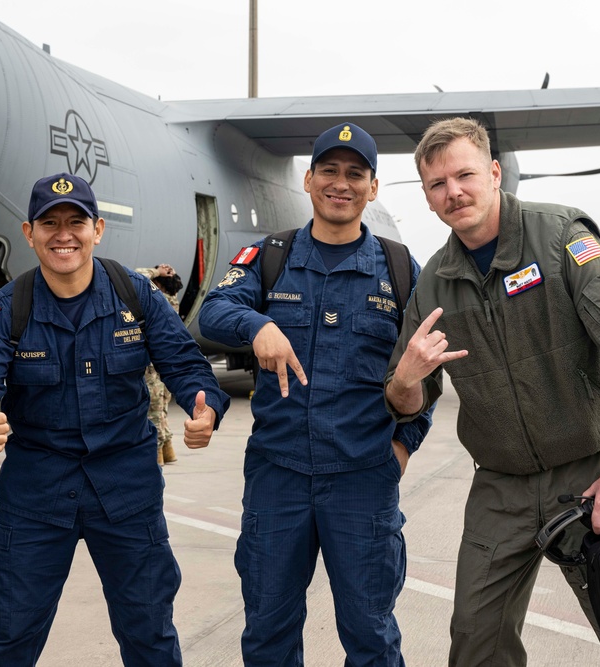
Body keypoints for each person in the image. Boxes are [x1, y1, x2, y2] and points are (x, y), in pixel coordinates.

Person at [382, 117, 600, 666]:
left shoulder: (562, 236)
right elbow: (407, 402)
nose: (454, 192)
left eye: (465, 175)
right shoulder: (434, 282)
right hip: (502, 489)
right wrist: (404, 379)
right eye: (437, 185)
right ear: (425, 197)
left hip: (589, 472)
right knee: (475, 640)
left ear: (494, 173)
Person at [0, 172, 230, 666]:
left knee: (149, 635)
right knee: (8, 636)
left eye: (76, 222)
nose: (64, 234)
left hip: (127, 495)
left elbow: (185, 365)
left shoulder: (134, 296)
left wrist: (206, 407)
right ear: (28, 232)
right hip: (36, 498)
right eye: (49, 223)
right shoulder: (7, 308)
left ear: (97, 229)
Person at [199, 122, 431, 666]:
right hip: (277, 477)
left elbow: (431, 372)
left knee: (371, 636)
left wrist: (403, 447)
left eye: (356, 174)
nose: (340, 183)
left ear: (373, 189)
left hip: (363, 481)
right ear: (308, 180)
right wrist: (257, 327)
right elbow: (215, 308)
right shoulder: (270, 257)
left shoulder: (399, 271)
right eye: (329, 170)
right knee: (268, 633)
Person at [135, 263, 184, 465]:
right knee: (161, 408)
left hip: (152, 364)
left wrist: (156, 271)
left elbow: (137, 276)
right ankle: (167, 449)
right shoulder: (172, 300)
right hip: (164, 363)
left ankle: (157, 454)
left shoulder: (159, 299)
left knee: (153, 410)